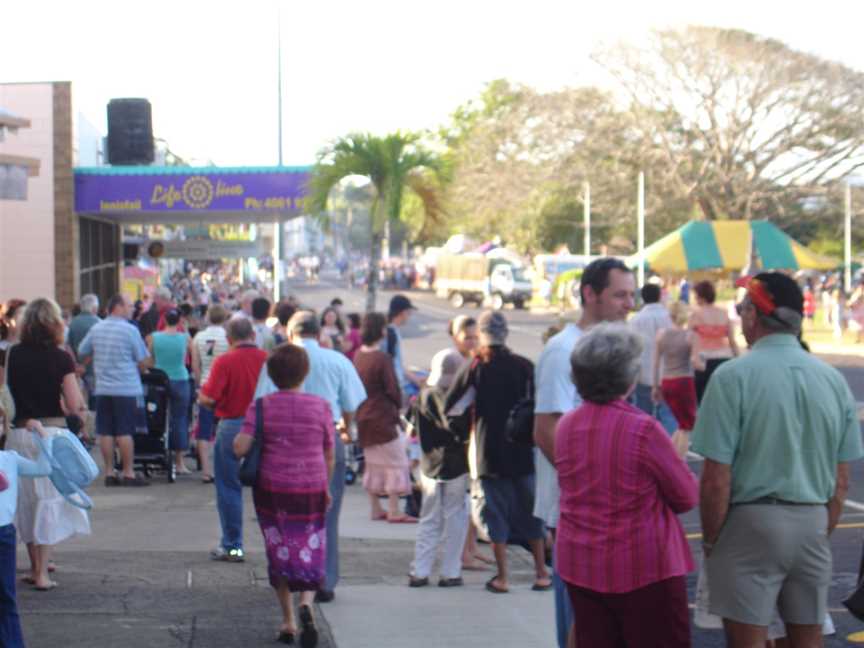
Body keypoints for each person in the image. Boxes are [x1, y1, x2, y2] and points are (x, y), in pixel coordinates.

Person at [692, 273, 863, 647]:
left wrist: (712, 540)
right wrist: (820, 526)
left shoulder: (732, 377)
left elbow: (716, 478)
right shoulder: (832, 380)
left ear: (754, 315)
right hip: (812, 520)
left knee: (746, 639)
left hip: (750, 521)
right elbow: (842, 477)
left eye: (742, 309)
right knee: (807, 638)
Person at [557, 323, 697, 647]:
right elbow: (686, 497)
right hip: (643, 567)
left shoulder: (567, 426)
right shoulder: (642, 429)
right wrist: (681, 464)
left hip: (583, 563)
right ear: (628, 376)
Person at [533, 257, 635, 648]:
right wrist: (588, 489)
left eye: (631, 295)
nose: (629, 304)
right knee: (579, 620)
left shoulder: (612, 346)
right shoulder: (564, 351)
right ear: (590, 294)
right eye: (619, 295)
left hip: (606, 507)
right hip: (577, 508)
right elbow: (546, 430)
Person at [254, 311, 366, 603]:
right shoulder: (338, 361)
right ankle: (322, 581)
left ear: (290, 334)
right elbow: (353, 403)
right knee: (326, 514)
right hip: (326, 443)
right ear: (319, 333)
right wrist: (348, 427)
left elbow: (261, 403)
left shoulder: (275, 362)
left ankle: (288, 575)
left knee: (282, 518)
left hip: (281, 448)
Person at [234, 344, 333, 647]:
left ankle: (288, 621)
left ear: (271, 374)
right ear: (305, 372)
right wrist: (326, 486)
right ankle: (307, 601)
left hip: (273, 488)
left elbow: (240, 447)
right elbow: (329, 451)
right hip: (312, 485)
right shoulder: (321, 406)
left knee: (280, 549)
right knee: (311, 545)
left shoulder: (261, 406)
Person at [445, 311, 550, 594]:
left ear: (481, 334)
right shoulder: (525, 366)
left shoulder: (475, 367)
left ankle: (502, 577)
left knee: (496, 514)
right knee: (531, 513)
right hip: (522, 451)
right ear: (506, 333)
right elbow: (540, 405)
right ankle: (541, 573)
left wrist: (461, 431)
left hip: (488, 452)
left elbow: (450, 405)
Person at [5, 299, 91, 591]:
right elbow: (74, 402)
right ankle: (42, 572)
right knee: (48, 500)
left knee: (26, 502)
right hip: (51, 434)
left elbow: (6, 398)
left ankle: (33, 567)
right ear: (55, 324)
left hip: (18, 435)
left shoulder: (12, 354)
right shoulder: (61, 358)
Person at [199, 318, 268, 563]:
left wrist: (202, 397)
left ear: (229, 339)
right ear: (252, 334)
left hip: (232, 426)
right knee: (269, 487)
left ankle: (233, 546)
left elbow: (209, 397)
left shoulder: (225, 361)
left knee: (229, 486)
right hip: (264, 425)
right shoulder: (267, 359)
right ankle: (276, 545)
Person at [409, 347, 470, 588]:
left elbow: (411, 424)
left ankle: (420, 571)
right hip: (457, 464)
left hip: (429, 464)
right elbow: (460, 428)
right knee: (456, 517)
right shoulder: (460, 397)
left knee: (429, 518)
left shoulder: (424, 395)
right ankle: (450, 571)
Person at [78, 295, 150, 487]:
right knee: (125, 432)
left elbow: (82, 350)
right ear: (117, 307)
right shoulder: (130, 330)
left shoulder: (97, 327)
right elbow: (142, 360)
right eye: (129, 306)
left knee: (106, 432)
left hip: (103, 388)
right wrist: (141, 368)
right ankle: (128, 472)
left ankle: (109, 472)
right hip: (126, 389)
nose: (132, 309)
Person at [353, 312, 415, 523]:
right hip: (383, 418)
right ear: (381, 331)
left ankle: (375, 507)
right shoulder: (382, 358)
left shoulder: (358, 356)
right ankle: (394, 509)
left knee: (373, 464)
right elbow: (393, 390)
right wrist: (401, 406)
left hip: (364, 417)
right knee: (397, 462)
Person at [0, 419, 53, 647]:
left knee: (6, 595)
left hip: (4, 534)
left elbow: (44, 468)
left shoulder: (10, 459)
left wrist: (42, 435)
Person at [147, 309, 193, 475]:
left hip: (159, 379)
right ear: (179, 321)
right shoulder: (185, 338)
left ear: (164, 320)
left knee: (157, 418)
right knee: (180, 419)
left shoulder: (154, 337)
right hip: (180, 379)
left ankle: (157, 454)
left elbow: (150, 359)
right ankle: (179, 462)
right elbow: (191, 360)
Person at [629, 283, 676, 433]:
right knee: (668, 415)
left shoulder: (635, 320)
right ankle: (669, 448)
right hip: (669, 373)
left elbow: (632, 350)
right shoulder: (670, 317)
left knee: (643, 414)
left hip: (644, 374)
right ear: (659, 296)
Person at [191, 304, 230, 483]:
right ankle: (226, 467)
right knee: (226, 428)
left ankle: (207, 471)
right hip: (225, 389)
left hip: (206, 386)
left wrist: (200, 384)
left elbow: (195, 365)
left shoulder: (199, 337)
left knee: (204, 430)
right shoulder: (228, 338)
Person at [653, 301, 697, 457]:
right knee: (687, 425)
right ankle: (680, 463)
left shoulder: (661, 334)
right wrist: (703, 361)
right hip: (684, 381)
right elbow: (696, 362)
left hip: (667, 381)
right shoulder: (690, 336)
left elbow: (656, 362)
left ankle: (669, 456)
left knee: (681, 423)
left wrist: (655, 386)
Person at [689, 280, 739, 402]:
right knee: (722, 400)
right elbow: (732, 341)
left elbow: (691, 340)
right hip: (724, 358)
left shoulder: (696, 315)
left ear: (700, 297)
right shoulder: (724, 313)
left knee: (703, 401)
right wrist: (737, 359)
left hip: (703, 360)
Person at [385, 294, 423, 395]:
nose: (409, 316)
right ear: (403, 312)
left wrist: (413, 377)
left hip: (398, 381)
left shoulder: (392, 330)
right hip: (396, 386)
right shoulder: (390, 333)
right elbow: (391, 364)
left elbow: (396, 362)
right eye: (409, 313)